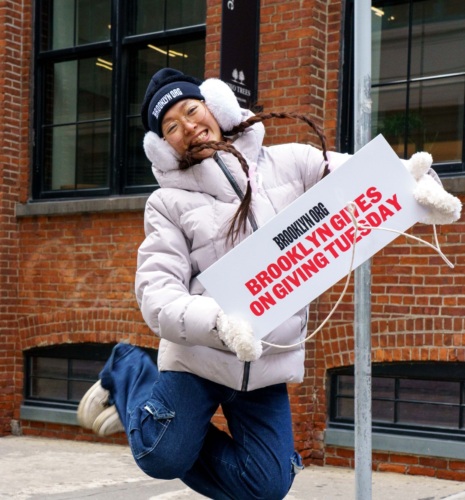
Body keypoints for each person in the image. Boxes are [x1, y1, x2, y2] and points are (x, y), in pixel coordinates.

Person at [77, 68, 461, 500]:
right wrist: (219, 322)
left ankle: (172, 426)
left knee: (266, 486)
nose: (187, 126)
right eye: (171, 126)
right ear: (164, 146)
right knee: (160, 454)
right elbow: (156, 293)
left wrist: (415, 187)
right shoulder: (166, 203)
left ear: (214, 108)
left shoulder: (291, 163)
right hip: (200, 358)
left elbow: (363, 180)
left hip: (263, 363)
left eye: (191, 110)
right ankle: (131, 369)